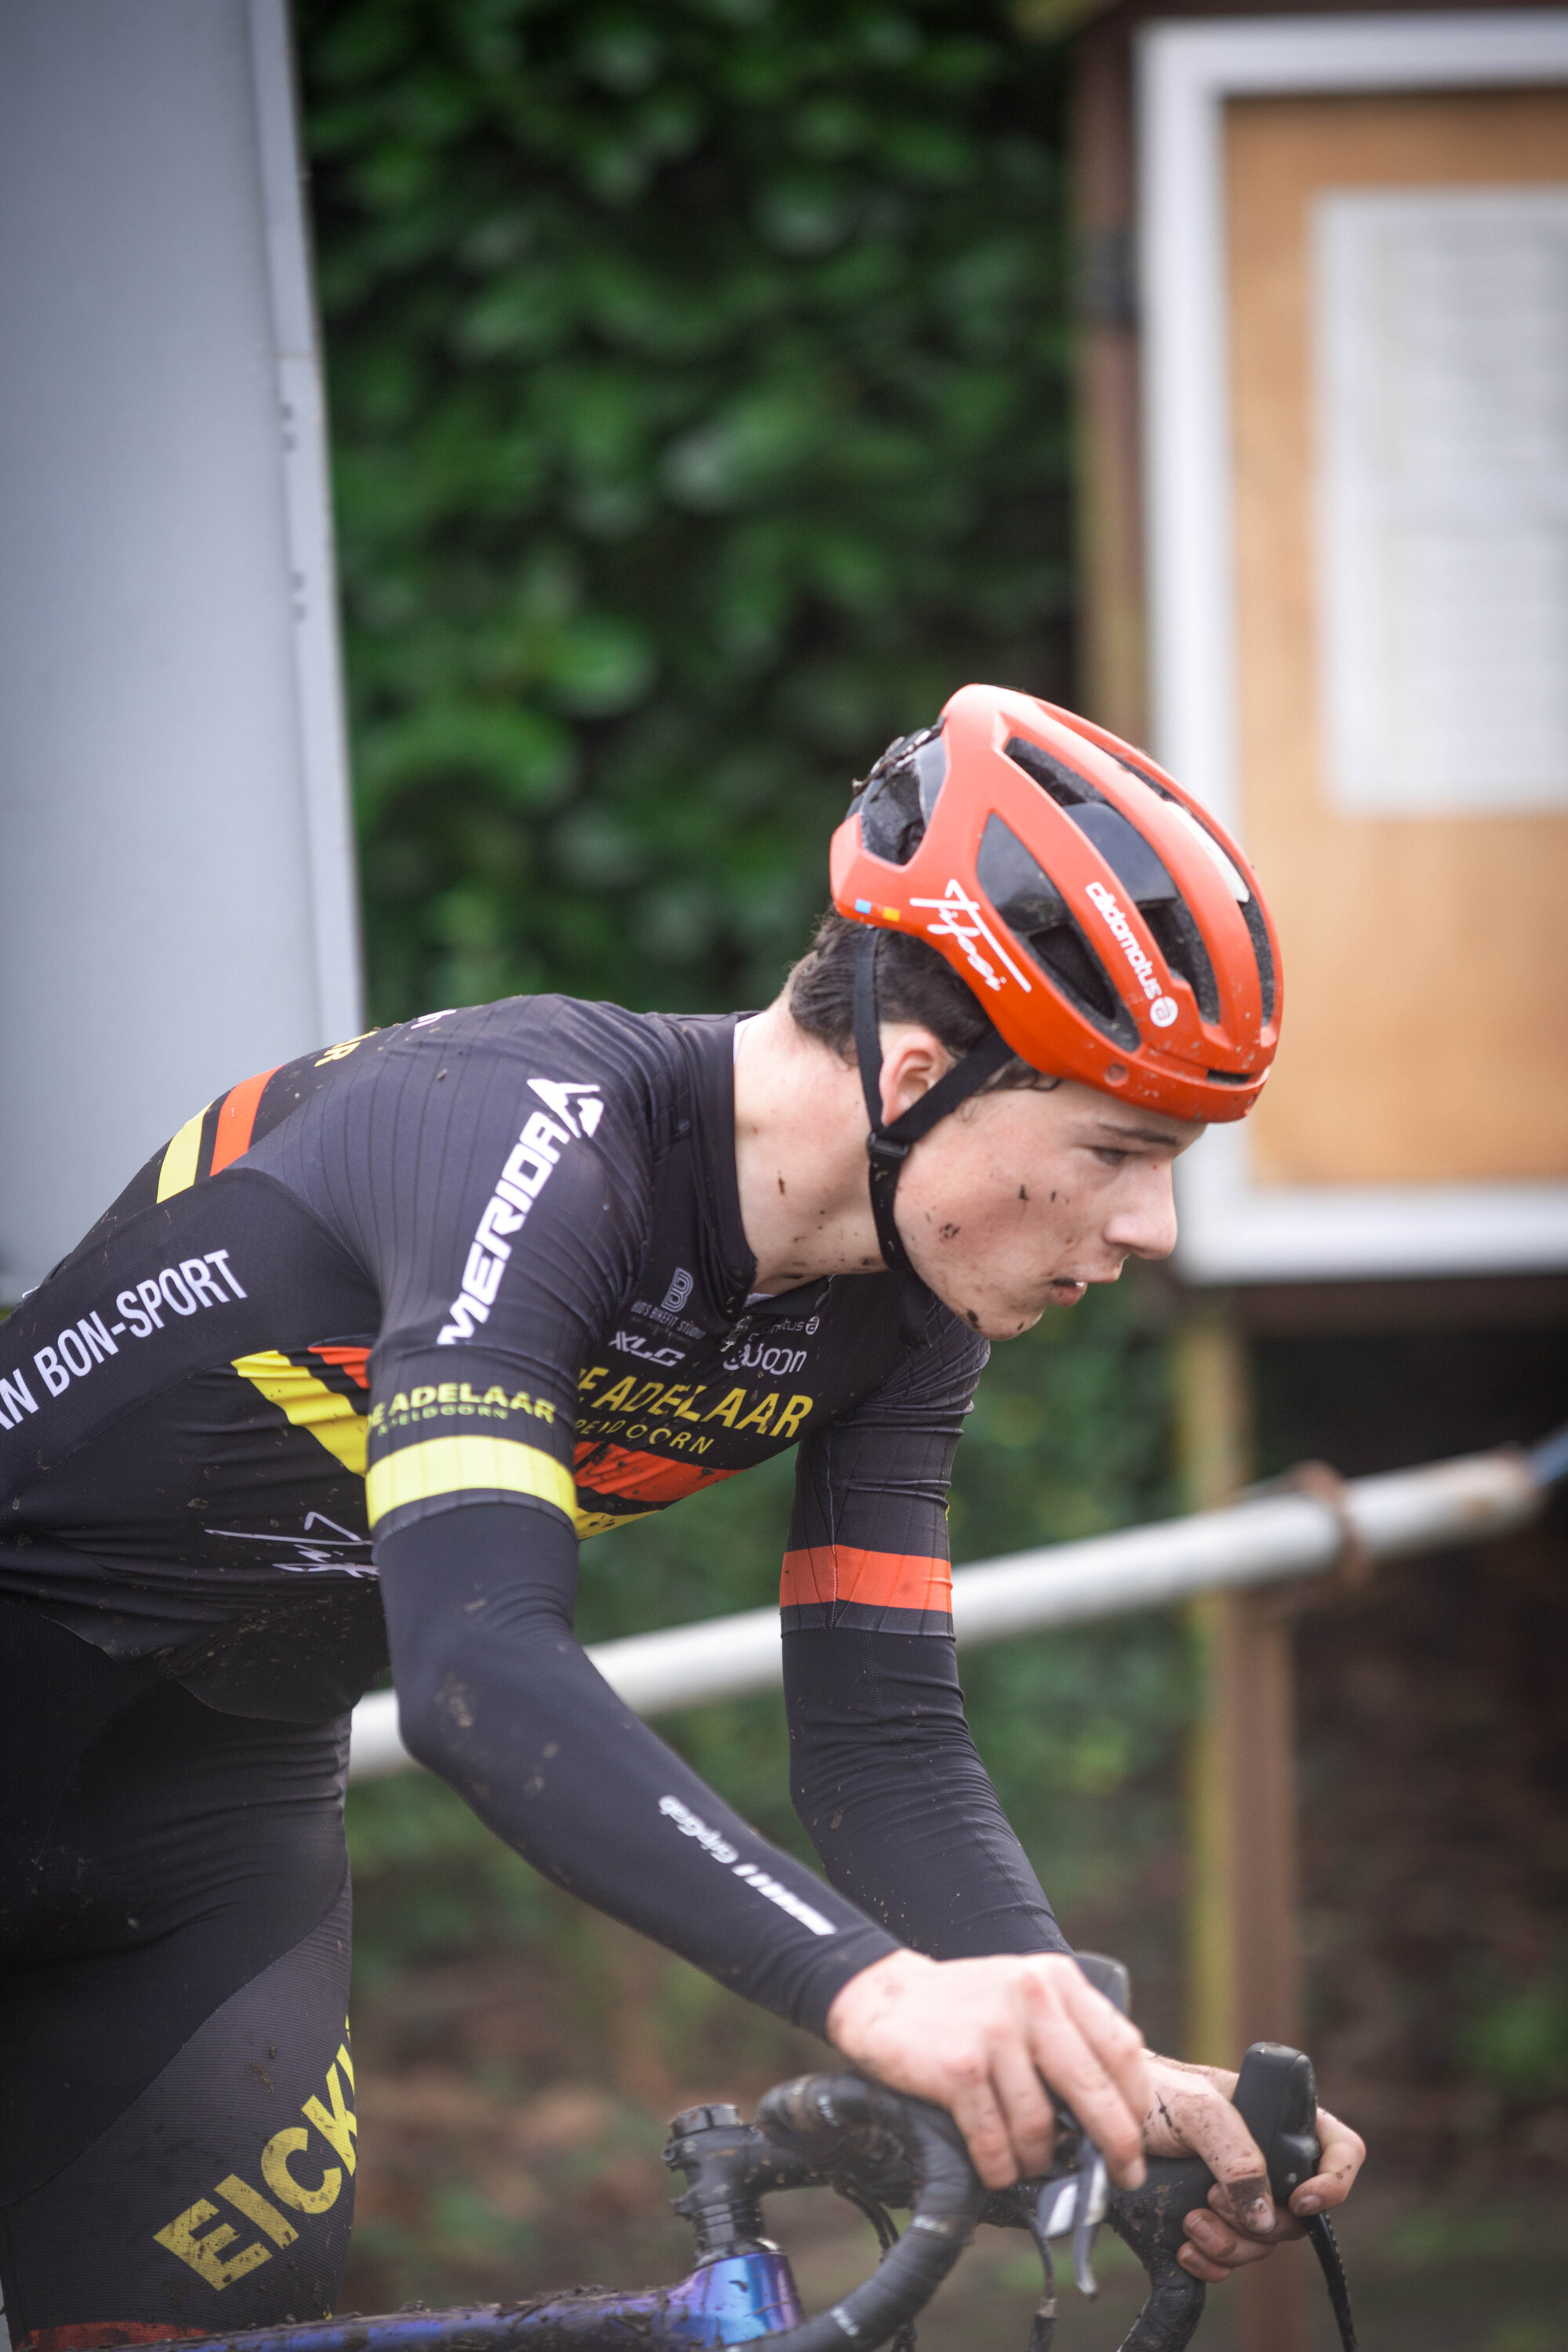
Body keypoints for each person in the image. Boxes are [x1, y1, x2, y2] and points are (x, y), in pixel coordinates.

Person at [0, 683, 1363, 2347]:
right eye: (1117, 1148)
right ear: (915, 1073)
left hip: (205, 1843)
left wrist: (1094, 2066)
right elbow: (477, 1670)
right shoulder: (524, 1131)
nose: (1149, 1227)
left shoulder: (905, 1308)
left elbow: (883, 1745)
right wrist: (872, 1992)